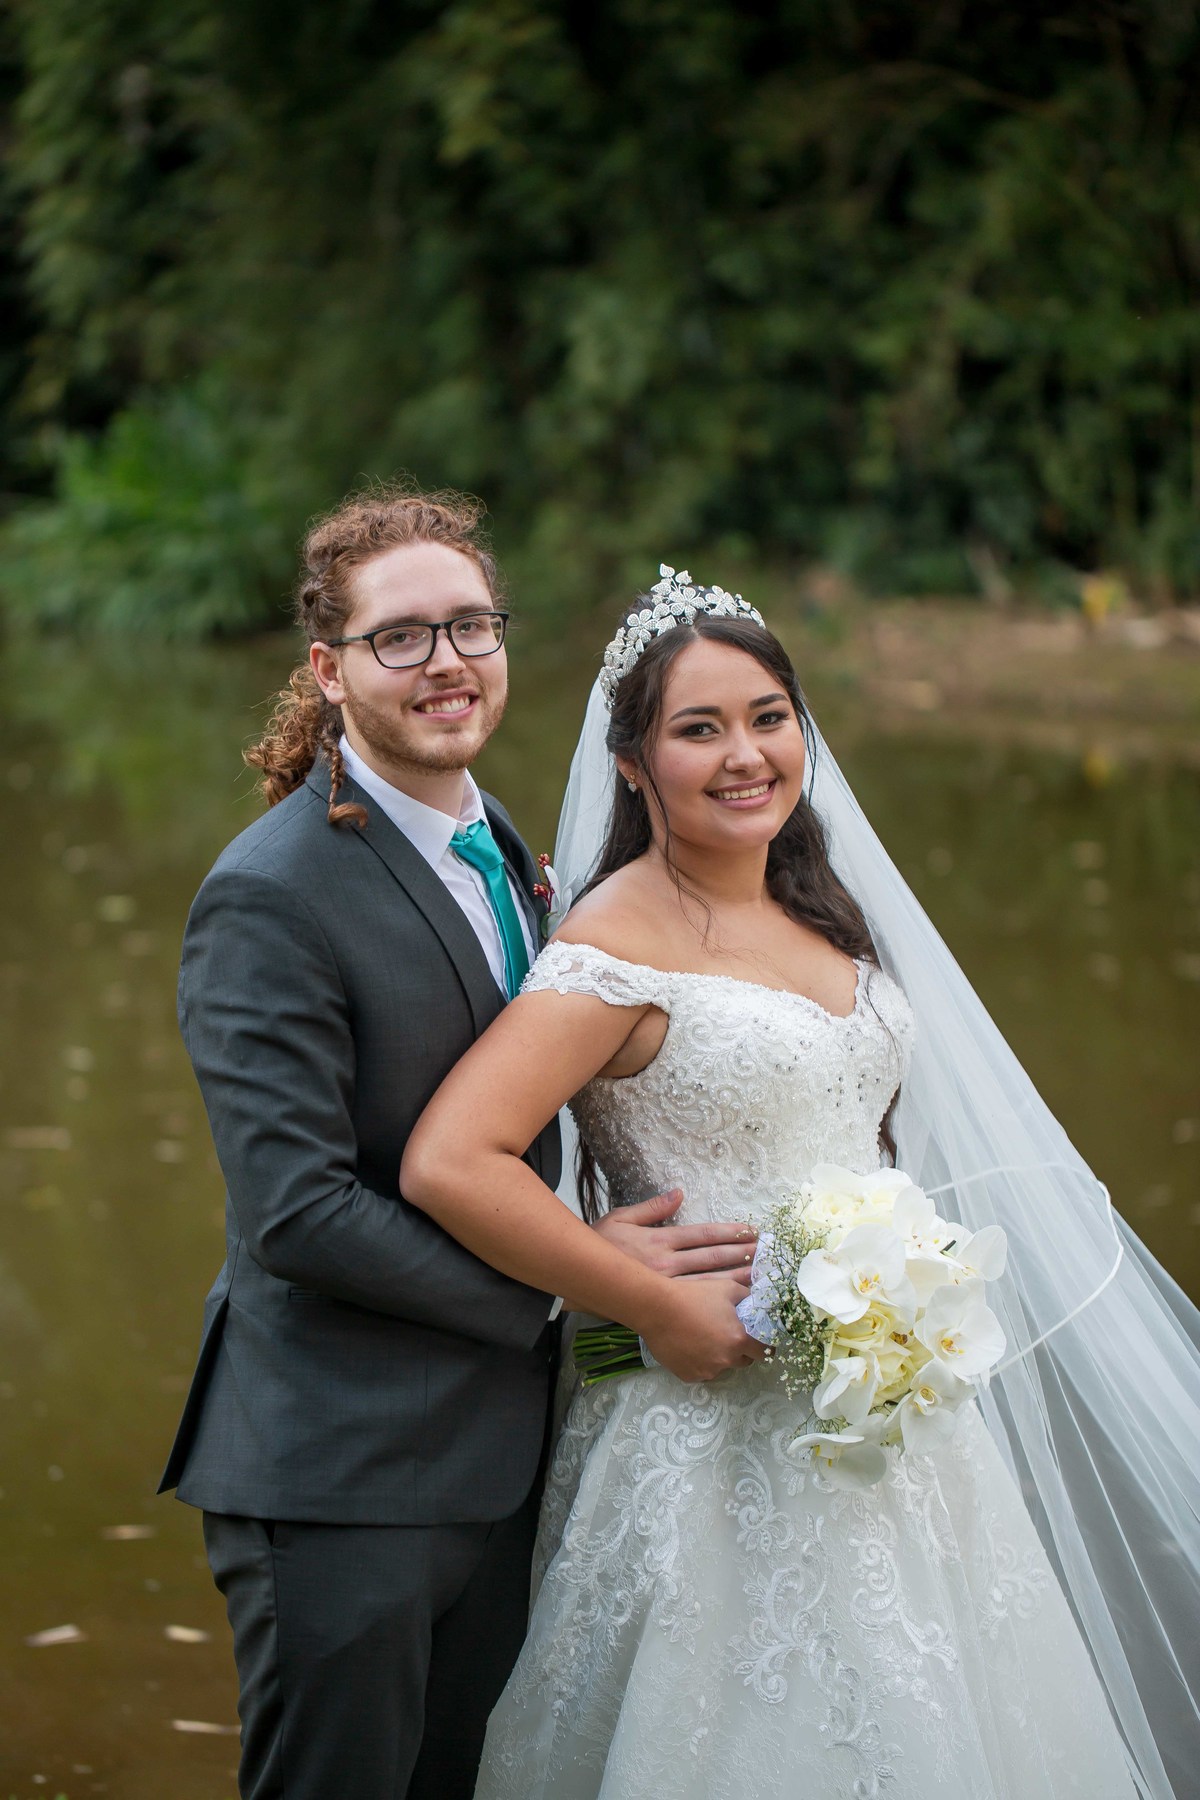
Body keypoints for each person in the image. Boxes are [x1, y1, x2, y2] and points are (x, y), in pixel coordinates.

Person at [403, 568, 1200, 1799]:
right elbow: (452, 1160)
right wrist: (645, 1295)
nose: (745, 755)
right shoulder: (615, 945)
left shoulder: (821, 912)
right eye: (699, 728)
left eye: (769, 716)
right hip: (704, 1436)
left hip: (890, 1420)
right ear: (632, 762)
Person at [159, 498, 760, 1800]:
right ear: (329, 669)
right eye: (403, 637)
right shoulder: (269, 895)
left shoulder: (522, 865)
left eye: (471, 625)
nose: (447, 661)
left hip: (503, 1462)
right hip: (340, 1473)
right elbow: (297, 1212)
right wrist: (573, 1279)